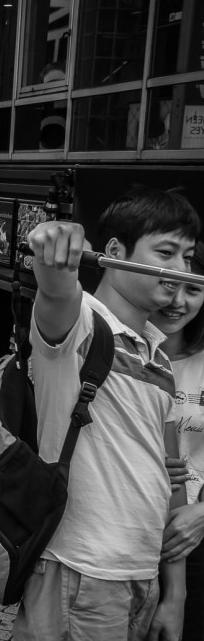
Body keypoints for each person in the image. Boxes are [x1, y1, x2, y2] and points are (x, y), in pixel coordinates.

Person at [16, 187, 199, 640]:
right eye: (166, 253)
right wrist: (54, 238)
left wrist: (174, 595)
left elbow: (171, 479)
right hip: (81, 571)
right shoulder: (81, 323)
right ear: (114, 252)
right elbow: (56, 287)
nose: (180, 269)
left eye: (188, 257)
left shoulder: (157, 357)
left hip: (141, 575)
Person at [149, 245, 204, 640]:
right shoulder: (117, 354)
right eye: (169, 285)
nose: (177, 301)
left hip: (194, 535)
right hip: (128, 532)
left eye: (193, 289)